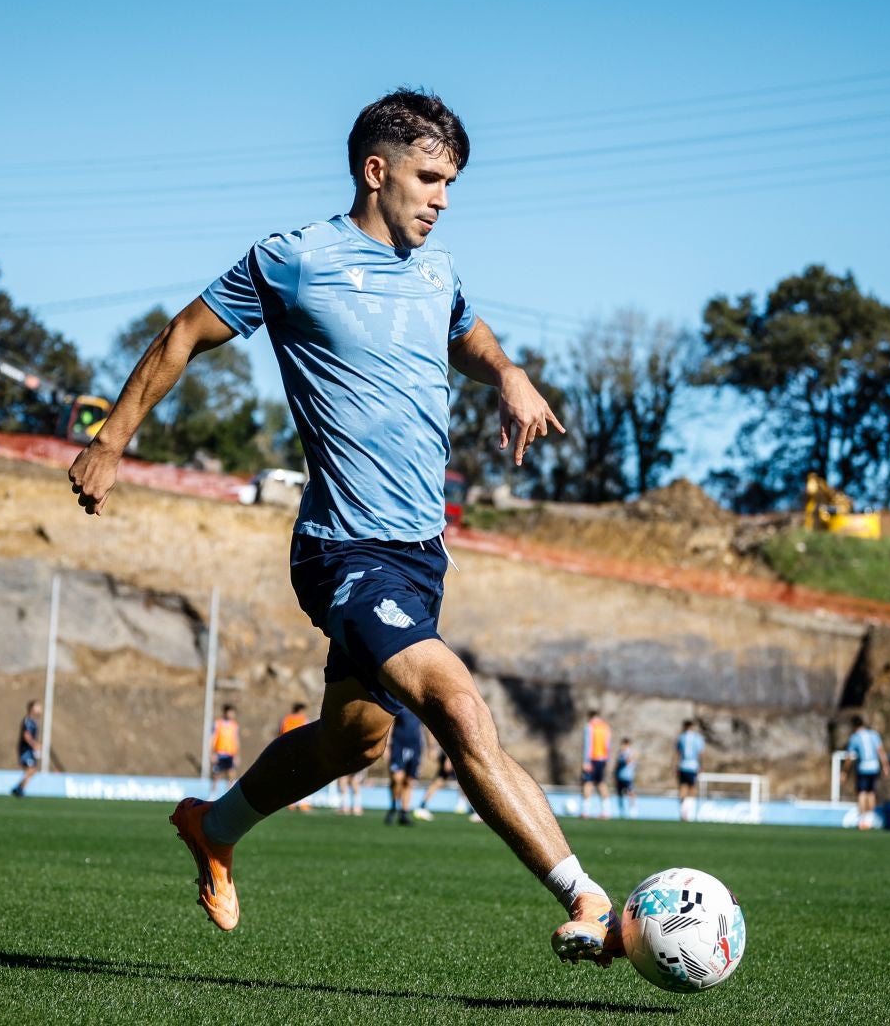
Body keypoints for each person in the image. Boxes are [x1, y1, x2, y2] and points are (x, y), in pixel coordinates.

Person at [67, 89, 621, 966]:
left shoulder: (437, 272)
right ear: (377, 171)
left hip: (420, 556)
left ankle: (213, 827)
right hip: (344, 551)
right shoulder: (294, 260)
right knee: (458, 706)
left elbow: (465, 335)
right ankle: (587, 898)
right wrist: (110, 442)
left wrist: (510, 372)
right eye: (430, 179)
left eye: (451, 184)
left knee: (357, 739)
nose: (442, 199)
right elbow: (183, 335)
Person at [843, 715, 887, 829]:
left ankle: (862, 820)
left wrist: (844, 771)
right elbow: (880, 751)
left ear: (854, 726)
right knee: (871, 792)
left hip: (863, 767)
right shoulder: (873, 734)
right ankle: (870, 819)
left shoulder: (855, 737)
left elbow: (850, 756)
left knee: (862, 793)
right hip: (874, 767)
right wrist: (886, 765)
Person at [385, 704, 424, 826]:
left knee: (409, 781)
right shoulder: (399, 704)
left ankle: (404, 813)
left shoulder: (419, 707)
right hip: (398, 745)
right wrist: (386, 745)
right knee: (397, 778)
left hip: (415, 746)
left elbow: (424, 729)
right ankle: (393, 807)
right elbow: (390, 725)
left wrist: (430, 747)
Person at [579, 710, 612, 819]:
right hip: (602, 759)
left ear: (590, 716)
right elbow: (608, 745)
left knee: (588, 783)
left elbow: (588, 745)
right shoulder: (605, 727)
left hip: (592, 759)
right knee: (601, 783)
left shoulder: (589, 727)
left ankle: (585, 811)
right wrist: (607, 759)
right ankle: (606, 811)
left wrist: (586, 761)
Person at [279, 703, 312, 811]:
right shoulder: (304, 720)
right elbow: (310, 735)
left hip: (288, 750)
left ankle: (290, 803)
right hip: (300, 751)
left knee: (289, 777)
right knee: (303, 777)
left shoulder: (286, 719)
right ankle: (303, 803)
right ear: (301, 710)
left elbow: (281, 734)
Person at [676, 719, 706, 822]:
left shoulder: (681, 738)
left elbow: (678, 753)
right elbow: (700, 753)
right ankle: (689, 813)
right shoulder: (697, 738)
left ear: (684, 726)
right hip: (693, 766)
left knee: (682, 789)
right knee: (692, 790)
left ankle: (682, 812)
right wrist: (701, 766)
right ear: (692, 727)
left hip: (682, 766)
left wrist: (675, 766)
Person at [12, 701, 43, 797]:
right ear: (32, 709)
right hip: (25, 750)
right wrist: (34, 744)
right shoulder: (28, 721)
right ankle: (19, 788)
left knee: (32, 770)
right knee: (31, 769)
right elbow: (26, 735)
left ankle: (20, 789)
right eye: (38, 707)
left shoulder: (34, 721)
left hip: (30, 750)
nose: (40, 710)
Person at [414, 750, 455, 820]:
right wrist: (448, 759)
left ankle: (422, 806)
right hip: (451, 754)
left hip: (449, 754)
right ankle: (422, 806)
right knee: (438, 782)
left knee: (438, 782)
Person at [209, 706, 240, 795]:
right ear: (225, 712)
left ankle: (229, 794)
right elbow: (213, 738)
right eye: (230, 712)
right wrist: (212, 753)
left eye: (233, 712)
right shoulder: (218, 723)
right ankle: (213, 794)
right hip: (219, 752)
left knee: (231, 774)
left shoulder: (234, 725)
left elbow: (236, 740)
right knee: (216, 774)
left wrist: (237, 755)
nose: (232, 714)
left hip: (230, 753)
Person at [613, 737, 638, 819]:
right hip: (620, 777)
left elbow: (628, 761)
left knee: (631, 793)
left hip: (628, 777)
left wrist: (627, 758)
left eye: (624, 744)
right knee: (619, 794)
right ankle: (621, 811)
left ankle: (633, 810)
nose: (622, 746)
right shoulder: (620, 753)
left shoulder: (629, 752)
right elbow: (617, 764)